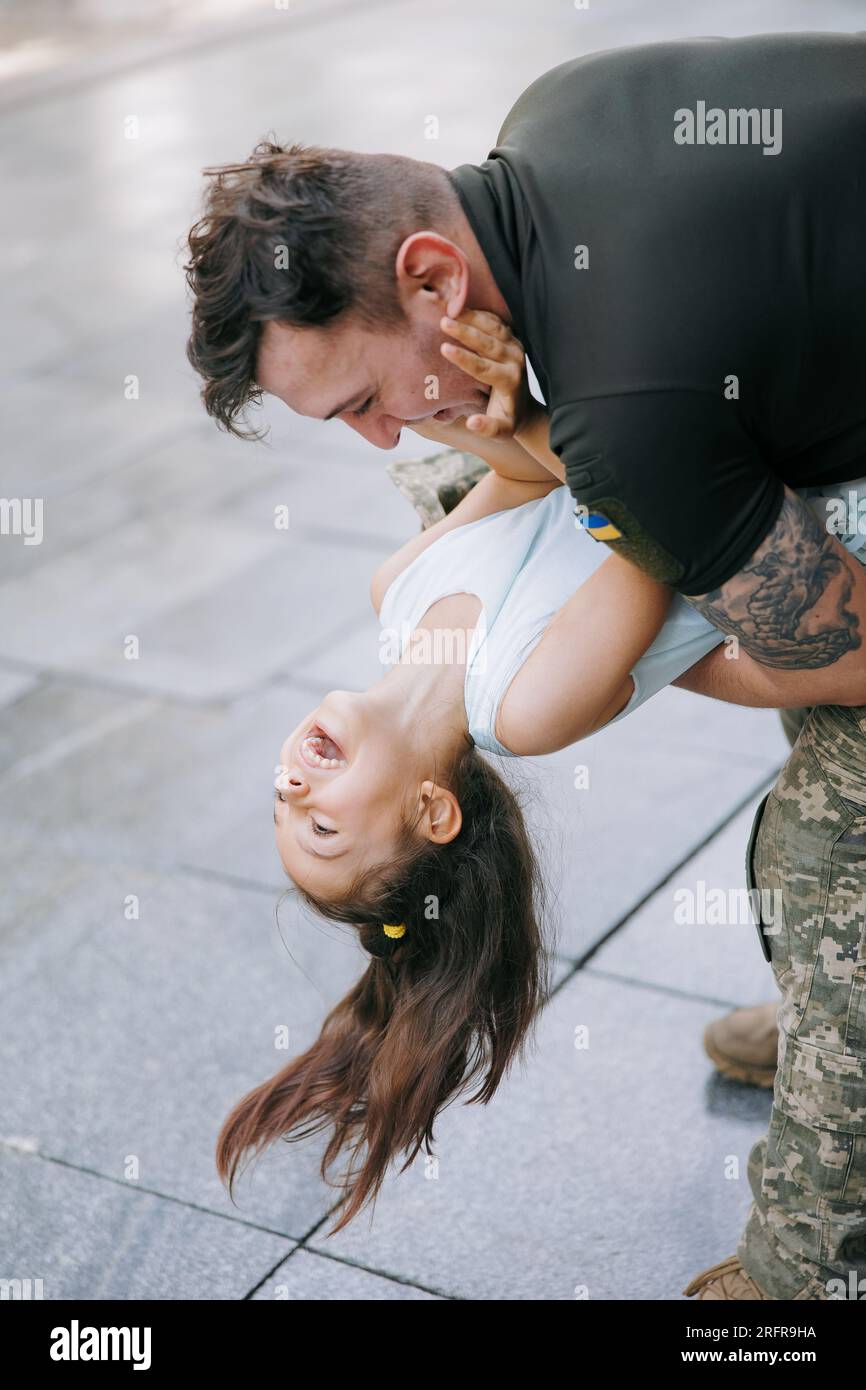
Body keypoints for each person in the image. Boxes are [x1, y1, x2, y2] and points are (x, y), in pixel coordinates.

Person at [213, 317, 866, 1299]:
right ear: (434, 813)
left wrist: (471, 408)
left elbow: (525, 481)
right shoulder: (527, 707)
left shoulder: (395, 589)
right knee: (811, 851)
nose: (287, 786)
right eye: (318, 824)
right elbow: (656, 521)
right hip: (807, 542)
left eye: (279, 807)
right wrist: (533, 420)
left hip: (708, 441)